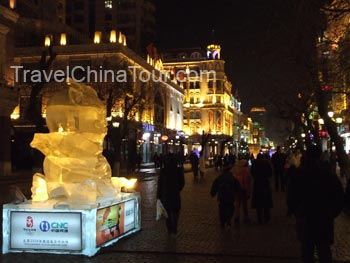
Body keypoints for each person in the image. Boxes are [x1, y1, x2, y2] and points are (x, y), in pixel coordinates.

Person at [287, 145, 344, 263]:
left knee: (307, 250)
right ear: (320, 156)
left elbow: (291, 195)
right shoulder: (328, 174)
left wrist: (295, 211)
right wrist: (332, 212)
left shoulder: (299, 173)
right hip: (324, 217)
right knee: (324, 250)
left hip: (305, 216)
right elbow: (339, 196)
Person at [157, 153, 185, 235]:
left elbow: (160, 184)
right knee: (176, 212)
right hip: (175, 194)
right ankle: (174, 227)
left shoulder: (163, 171)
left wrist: (159, 195)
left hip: (166, 195)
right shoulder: (178, 170)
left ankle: (169, 228)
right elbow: (182, 183)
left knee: (168, 213)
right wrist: (178, 189)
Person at [210, 160, 242, 228]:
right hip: (230, 196)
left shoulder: (219, 178)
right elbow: (238, 187)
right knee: (230, 208)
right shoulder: (232, 178)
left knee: (222, 209)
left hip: (221, 197)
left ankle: (222, 222)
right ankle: (228, 220)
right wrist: (239, 192)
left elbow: (214, 187)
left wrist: (213, 193)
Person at [250, 153, 273, 224]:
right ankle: (267, 217)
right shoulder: (267, 163)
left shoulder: (254, 163)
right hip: (265, 183)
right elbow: (271, 173)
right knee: (266, 200)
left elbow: (252, 172)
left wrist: (256, 177)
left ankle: (259, 218)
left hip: (257, 183)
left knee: (258, 201)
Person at [233, 159, 252, 224]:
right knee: (244, 204)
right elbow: (246, 181)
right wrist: (248, 191)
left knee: (237, 204)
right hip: (243, 189)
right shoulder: (246, 171)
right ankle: (246, 217)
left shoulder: (236, 170)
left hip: (237, 189)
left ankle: (236, 217)